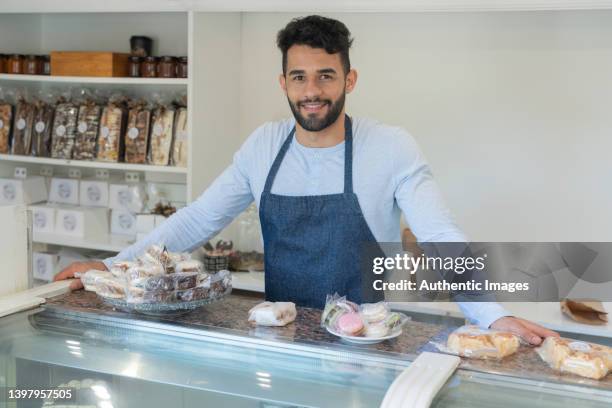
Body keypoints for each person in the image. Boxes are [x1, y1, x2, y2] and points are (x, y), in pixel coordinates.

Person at [55, 15, 557, 345]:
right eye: (299, 77)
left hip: (366, 341)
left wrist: (488, 315)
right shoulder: (263, 146)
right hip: (283, 340)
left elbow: (439, 235)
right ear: (284, 82)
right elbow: (198, 219)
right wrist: (111, 265)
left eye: (325, 76)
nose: (311, 91)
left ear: (349, 80)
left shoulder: (390, 146)